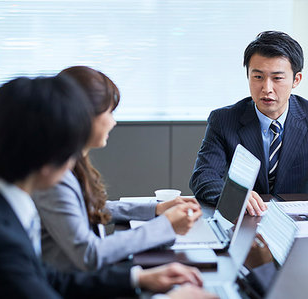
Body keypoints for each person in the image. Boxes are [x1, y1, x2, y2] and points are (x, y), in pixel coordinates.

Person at [0, 76, 215, 298]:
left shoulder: (13, 205)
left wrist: (136, 279)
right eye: (73, 144)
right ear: (48, 157)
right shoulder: (0, 240)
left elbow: (47, 279)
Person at [32, 66, 202, 272]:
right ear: (84, 115)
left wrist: (156, 210)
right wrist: (165, 226)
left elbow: (89, 210)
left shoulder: (69, 164)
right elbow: (90, 254)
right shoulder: (54, 179)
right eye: (110, 112)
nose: (114, 122)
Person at [190, 31, 308, 216]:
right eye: (258, 77)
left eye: (277, 78)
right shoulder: (223, 120)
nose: (266, 88)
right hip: (244, 219)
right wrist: (235, 195)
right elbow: (204, 176)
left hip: (299, 222)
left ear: (296, 80)